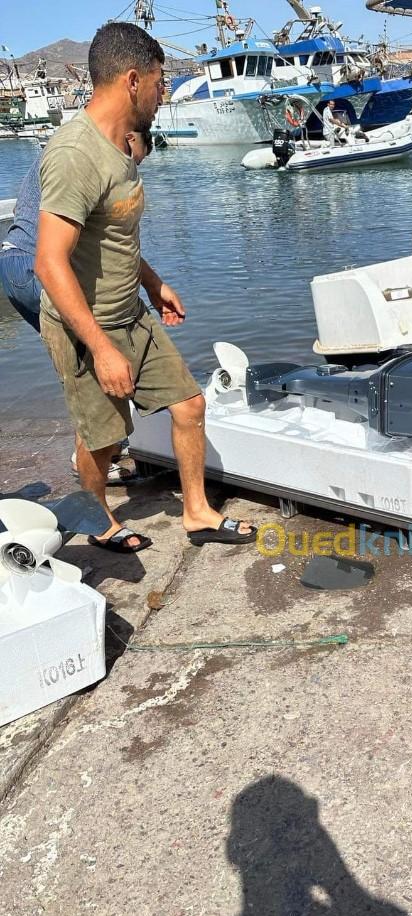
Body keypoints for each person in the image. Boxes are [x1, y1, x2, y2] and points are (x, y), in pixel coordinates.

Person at [34, 22, 256, 553]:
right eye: (160, 83)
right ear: (133, 79)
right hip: (85, 324)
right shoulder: (74, 155)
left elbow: (112, 235)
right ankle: (98, 520)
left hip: (130, 310)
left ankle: (197, 512)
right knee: (104, 437)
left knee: (190, 404)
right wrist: (102, 347)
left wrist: (154, 283)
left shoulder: (122, 147)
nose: (163, 96)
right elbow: (49, 262)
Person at [1, 129, 153, 487]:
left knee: (83, 362)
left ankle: (106, 449)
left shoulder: (69, 144)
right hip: (35, 267)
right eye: (137, 158)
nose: (133, 167)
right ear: (130, 138)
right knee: (100, 357)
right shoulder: (87, 156)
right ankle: (90, 457)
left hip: (15, 265)